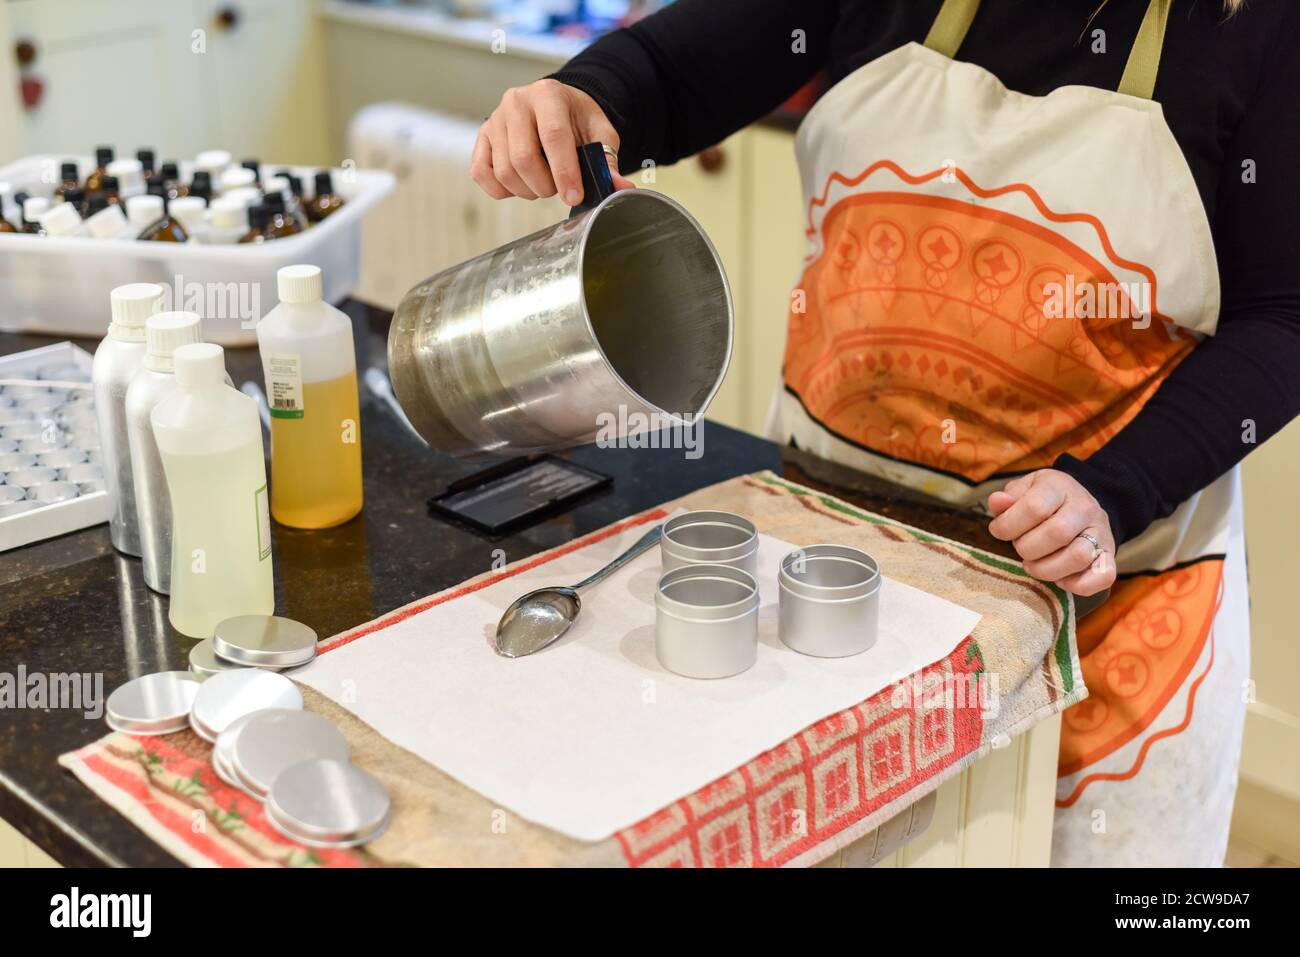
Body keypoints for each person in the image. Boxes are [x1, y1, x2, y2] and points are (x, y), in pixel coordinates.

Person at [471, 0, 1300, 866]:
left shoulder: (1260, 26)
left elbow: (1284, 313)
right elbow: (673, 72)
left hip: (1101, 592)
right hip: (833, 547)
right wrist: (588, 96)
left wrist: (1115, 488)